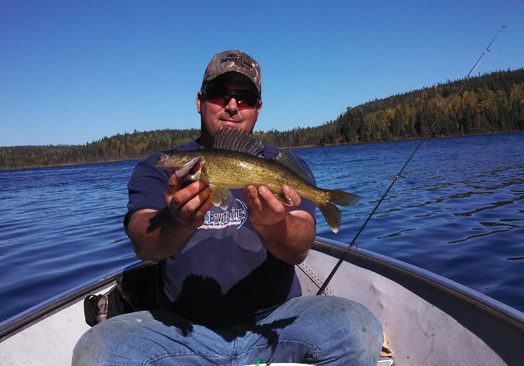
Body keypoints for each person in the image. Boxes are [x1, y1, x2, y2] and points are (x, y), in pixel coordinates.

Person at [73, 50, 382, 365]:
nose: (232, 106)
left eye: (245, 98)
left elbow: (299, 247)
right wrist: (175, 222)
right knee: (97, 352)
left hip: (277, 319)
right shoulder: (157, 169)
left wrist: (274, 225)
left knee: (358, 330)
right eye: (220, 94)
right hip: (181, 329)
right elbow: (143, 242)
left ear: (258, 108)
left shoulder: (282, 164)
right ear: (200, 100)